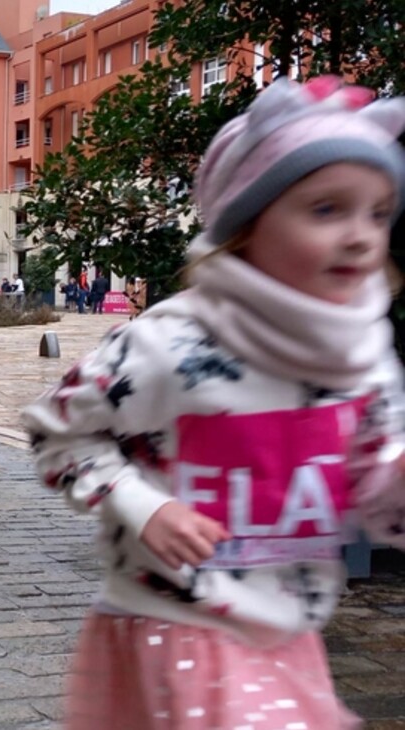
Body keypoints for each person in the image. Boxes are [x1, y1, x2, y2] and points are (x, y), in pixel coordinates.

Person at [21, 76, 405, 729]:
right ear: (246, 226)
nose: (362, 236)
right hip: (175, 625)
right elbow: (55, 431)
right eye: (325, 209)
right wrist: (146, 507)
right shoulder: (167, 343)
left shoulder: (363, 357)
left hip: (287, 634)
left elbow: (374, 495)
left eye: (378, 212)